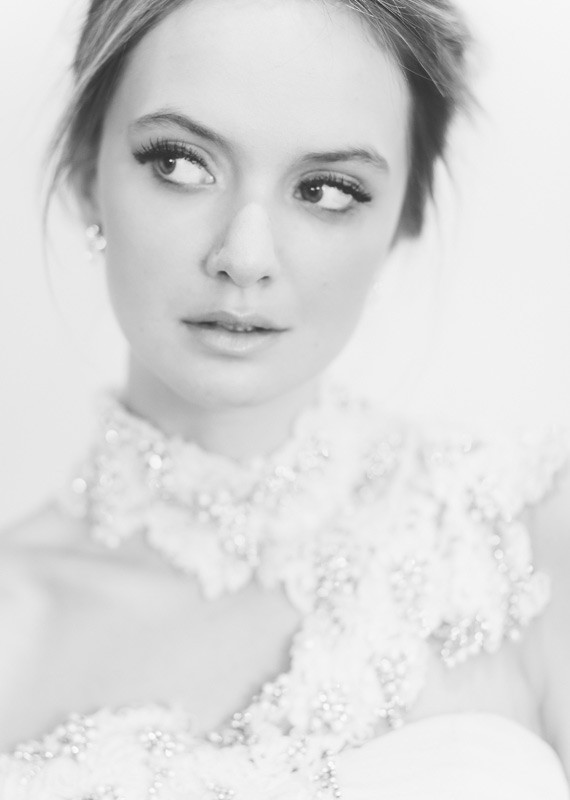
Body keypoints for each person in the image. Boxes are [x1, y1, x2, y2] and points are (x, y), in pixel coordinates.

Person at [0, 0, 569, 796]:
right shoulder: (13, 622)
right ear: (83, 173)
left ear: (402, 218)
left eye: (328, 190)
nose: (245, 255)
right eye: (180, 163)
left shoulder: (520, 547)